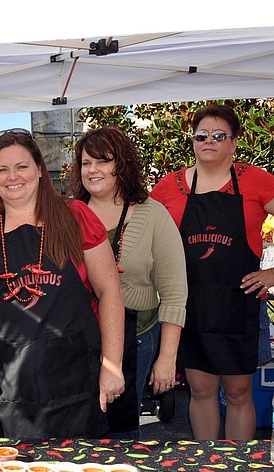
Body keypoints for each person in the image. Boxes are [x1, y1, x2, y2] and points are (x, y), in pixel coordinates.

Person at [151, 104, 274, 440]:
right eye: (201, 135)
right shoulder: (169, 186)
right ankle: (206, 464)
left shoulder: (254, 180)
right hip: (189, 306)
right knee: (200, 392)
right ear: (193, 140)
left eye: (218, 135)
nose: (208, 141)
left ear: (233, 142)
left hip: (238, 303)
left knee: (240, 393)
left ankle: (237, 470)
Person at [0, 128, 125, 439]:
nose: (12, 177)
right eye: (2, 169)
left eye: (21, 166)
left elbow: (110, 291)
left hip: (73, 376)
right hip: (0, 379)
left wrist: (112, 366)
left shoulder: (76, 216)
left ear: (38, 169)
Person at [70, 127, 187, 438]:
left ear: (121, 165)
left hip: (137, 337)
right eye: (85, 163)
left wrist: (167, 358)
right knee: (79, 424)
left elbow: (175, 293)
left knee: (120, 430)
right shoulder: (68, 216)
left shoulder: (153, 215)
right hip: (79, 339)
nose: (92, 170)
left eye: (102, 161)